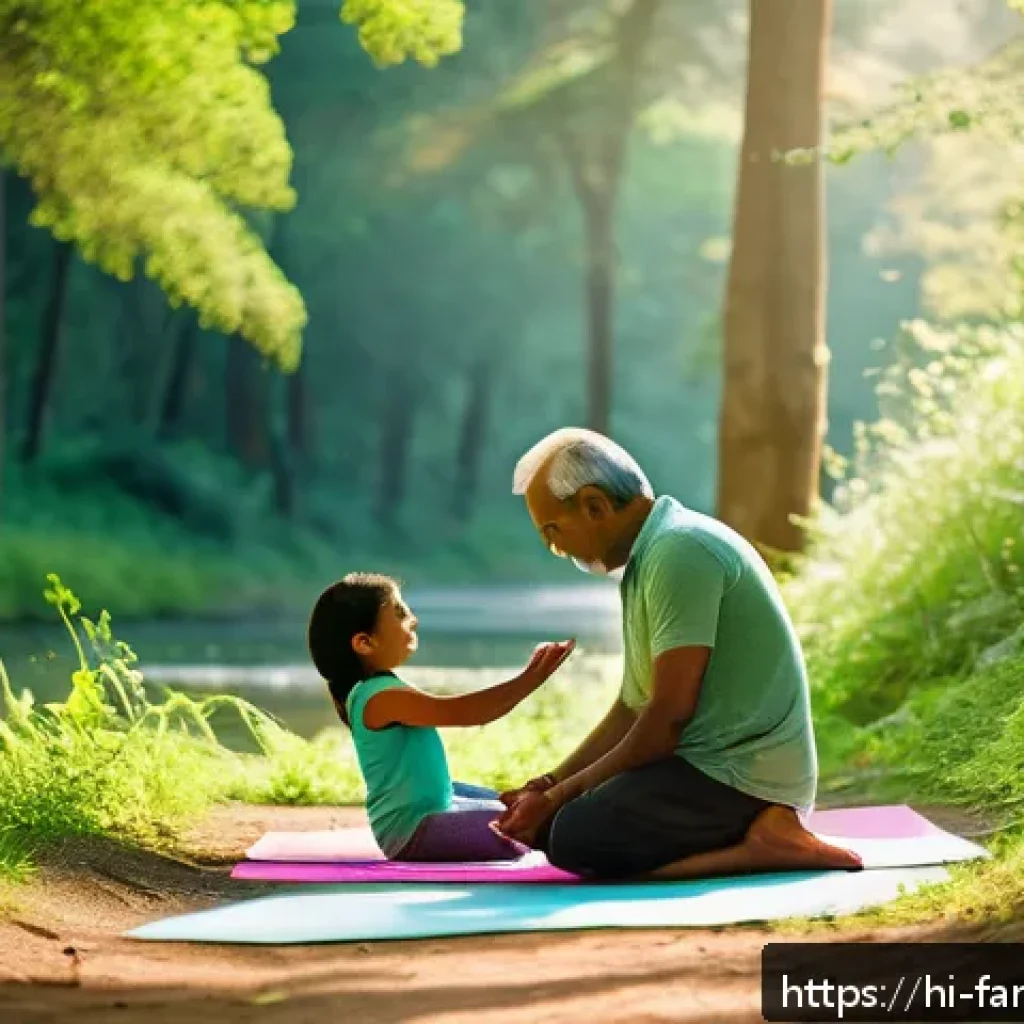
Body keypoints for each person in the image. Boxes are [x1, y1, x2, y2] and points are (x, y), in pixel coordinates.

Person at [494, 428, 863, 880]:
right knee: (556, 825)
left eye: (553, 532)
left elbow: (666, 719)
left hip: (741, 775)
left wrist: (558, 800)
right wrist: (546, 787)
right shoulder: (647, 559)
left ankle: (764, 842)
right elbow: (632, 708)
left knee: (576, 834)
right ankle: (759, 836)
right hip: (698, 768)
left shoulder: (680, 551)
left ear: (595, 505)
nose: (556, 549)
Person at [307, 571, 575, 862]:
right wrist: (530, 680)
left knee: (513, 803)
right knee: (527, 823)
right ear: (365, 643)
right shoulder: (379, 696)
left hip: (432, 811)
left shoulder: (375, 690)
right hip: (414, 832)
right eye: (399, 613)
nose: (413, 619)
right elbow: (467, 712)